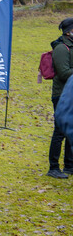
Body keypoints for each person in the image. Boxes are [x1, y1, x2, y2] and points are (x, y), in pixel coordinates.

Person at [47, 17, 73, 178]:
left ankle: (69, 166)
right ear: (68, 31)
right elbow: (63, 73)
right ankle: (54, 167)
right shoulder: (62, 49)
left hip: (71, 93)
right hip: (62, 95)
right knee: (60, 131)